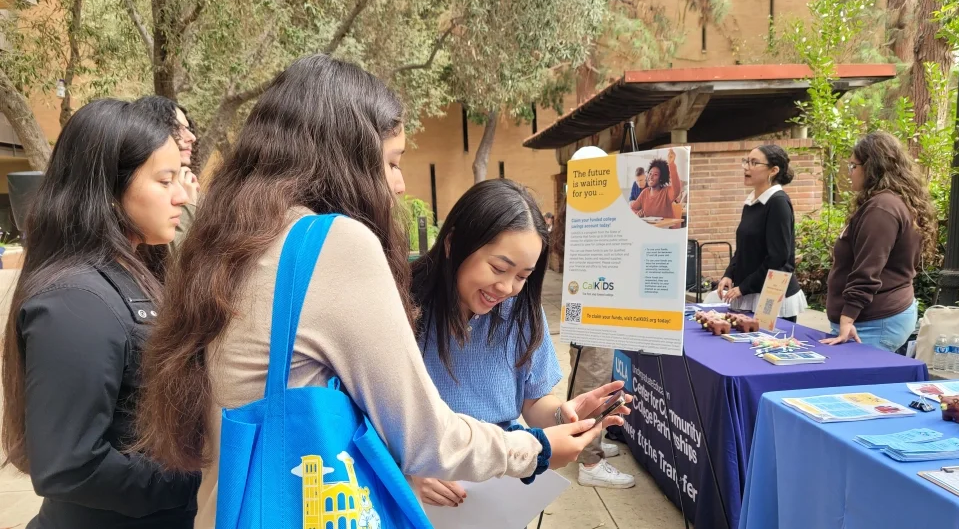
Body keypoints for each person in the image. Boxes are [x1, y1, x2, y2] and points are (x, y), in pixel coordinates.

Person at [133, 55, 605, 528]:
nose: (399, 185)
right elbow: (426, 438)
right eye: (392, 162)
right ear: (347, 159)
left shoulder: (235, 237)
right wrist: (536, 450)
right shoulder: (333, 243)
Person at [0, 99, 197, 528]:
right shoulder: (74, 300)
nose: (182, 195)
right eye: (165, 181)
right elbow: (69, 465)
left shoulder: (137, 271)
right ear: (108, 194)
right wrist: (194, 482)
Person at [409, 179, 632, 506]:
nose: (506, 288)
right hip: (419, 497)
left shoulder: (521, 312)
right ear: (453, 243)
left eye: (523, 276)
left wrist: (563, 417)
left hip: (498, 490)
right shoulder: (403, 307)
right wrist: (408, 471)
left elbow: (533, 399)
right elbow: (367, 416)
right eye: (499, 268)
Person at [563, 145, 637, 489]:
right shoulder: (587, 211)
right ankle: (590, 462)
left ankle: (586, 442)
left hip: (592, 311)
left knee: (586, 382)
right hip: (594, 312)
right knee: (592, 384)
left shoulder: (579, 209)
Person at [823, 131, 936, 350]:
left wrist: (848, 318)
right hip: (871, 317)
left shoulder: (881, 209)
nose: (850, 173)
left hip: (872, 321)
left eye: (853, 166)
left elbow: (868, 269)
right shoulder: (886, 203)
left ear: (872, 167)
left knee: (857, 384)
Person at [717, 145, 807, 322]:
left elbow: (778, 257)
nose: (746, 167)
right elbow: (743, 249)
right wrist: (729, 274)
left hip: (772, 295)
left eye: (754, 162)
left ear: (773, 170)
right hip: (749, 293)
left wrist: (744, 287)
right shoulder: (751, 202)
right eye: (746, 161)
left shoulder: (778, 202)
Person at [132, 96, 199, 254]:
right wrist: (189, 209)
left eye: (188, 129)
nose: (192, 137)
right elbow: (171, 267)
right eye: (179, 128)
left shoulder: (189, 186)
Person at [630, 153, 683, 219]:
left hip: (666, 228)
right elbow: (632, 208)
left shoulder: (666, 192)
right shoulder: (645, 192)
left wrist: (671, 164)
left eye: (655, 174)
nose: (651, 176)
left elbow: (676, 190)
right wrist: (637, 214)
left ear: (661, 178)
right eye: (650, 173)